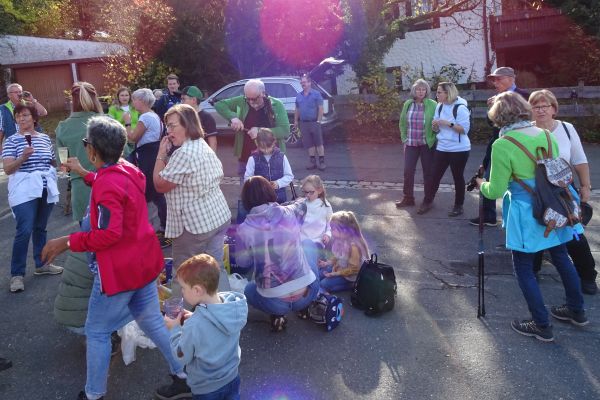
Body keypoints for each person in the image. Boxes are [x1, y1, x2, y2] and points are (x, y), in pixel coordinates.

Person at [41, 116, 191, 400]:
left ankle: (94, 394)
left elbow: (109, 233)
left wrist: (67, 241)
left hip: (120, 272)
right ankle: (183, 375)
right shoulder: (129, 170)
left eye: (86, 143)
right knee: (152, 321)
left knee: (97, 331)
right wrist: (85, 173)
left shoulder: (107, 183)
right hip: (144, 264)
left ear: (92, 150)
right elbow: (112, 184)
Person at [476, 92, 588, 342]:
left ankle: (541, 324)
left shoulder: (503, 144)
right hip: (555, 207)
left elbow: (495, 190)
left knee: (524, 267)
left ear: (499, 117)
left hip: (526, 212)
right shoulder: (546, 135)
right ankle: (577, 310)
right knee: (562, 257)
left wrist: (481, 183)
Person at [153, 104, 232, 298]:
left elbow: (159, 184)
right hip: (217, 216)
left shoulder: (184, 153)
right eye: (167, 126)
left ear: (187, 125)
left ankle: (180, 315)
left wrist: (161, 154)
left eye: (172, 126)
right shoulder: (201, 144)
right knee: (215, 267)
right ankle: (224, 308)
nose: (168, 131)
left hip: (194, 227)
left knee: (183, 274)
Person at [529, 89, 597, 295]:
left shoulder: (567, 129)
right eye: (536, 106)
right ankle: (532, 270)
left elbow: (579, 159)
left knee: (574, 232)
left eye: (545, 106)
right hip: (537, 190)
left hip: (564, 190)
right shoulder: (527, 131)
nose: (540, 110)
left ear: (554, 109)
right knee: (537, 229)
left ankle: (587, 276)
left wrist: (585, 186)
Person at [235, 176, 319, 332]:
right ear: (270, 191)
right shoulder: (290, 212)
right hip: (306, 293)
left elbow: (242, 262)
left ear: (246, 200)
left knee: (249, 290)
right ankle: (305, 306)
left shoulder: (244, 229)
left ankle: (278, 315)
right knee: (308, 244)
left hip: (273, 301)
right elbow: (302, 204)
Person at [164, 254, 248, 400]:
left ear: (197, 290)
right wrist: (195, 316)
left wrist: (175, 328)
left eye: (183, 287)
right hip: (232, 378)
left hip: (207, 388)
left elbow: (182, 356)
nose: (181, 291)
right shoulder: (231, 308)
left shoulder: (195, 325)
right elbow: (213, 322)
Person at [2, 101, 63, 293]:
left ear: (34, 118)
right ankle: (17, 274)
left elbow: (51, 161)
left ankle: (41, 264)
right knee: (25, 229)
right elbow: (8, 169)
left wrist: (61, 166)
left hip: (45, 187)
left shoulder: (44, 139)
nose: (21, 119)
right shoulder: (11, 141)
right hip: (24, 189)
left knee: (40, 228)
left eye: (25, 115)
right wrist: (22, 158)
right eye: (18, 116)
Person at [469, 67, 529, 226]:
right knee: (489, 175)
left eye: (499, 79)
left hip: (520, 146)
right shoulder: (496, 98)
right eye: (494, 80)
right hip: (498, 143)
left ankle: (523, 216)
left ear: (511, 79)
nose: (495, 83)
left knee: (521, 180)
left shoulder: (525, 96)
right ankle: (488, 215)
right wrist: (492, 108)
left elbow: (529, 120)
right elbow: (492, 124)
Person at [214, 79, 290, 182]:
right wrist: (233, 117)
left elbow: (285, 131)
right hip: (246, 158)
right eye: (248, 98)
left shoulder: (276, 105)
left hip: (271, 161)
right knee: (247, 190)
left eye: (254, 99)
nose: (250, 102)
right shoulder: (242, 101)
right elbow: (219, 105)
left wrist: (259, 131)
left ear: (263, 93)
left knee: (272, 191)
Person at [418, 82, 471, 216]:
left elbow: (464, 130)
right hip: (442, 147)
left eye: (439, 92)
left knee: (457, 177)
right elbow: (436, 128)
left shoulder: (460, 108)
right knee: (434, 176)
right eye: (437, 92)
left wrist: (447, 123)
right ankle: (427, 201)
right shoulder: (440, 106)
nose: (437, 95)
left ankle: (458, 205)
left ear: (448, 93)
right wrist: (435, 126)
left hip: (459, 149)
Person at [126, 88, 170, 248]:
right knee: (156, 192)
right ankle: (163, 227)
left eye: (134, 99)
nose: (132, 102)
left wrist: (127, 123)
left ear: (142, 101)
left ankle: (159, 229)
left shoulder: (145, 117)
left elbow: (132, 138)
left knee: (150, 192)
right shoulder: (154, 115)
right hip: (154, 154)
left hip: (147, 157)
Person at [56, 81, 103, 223]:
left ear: (73, 101)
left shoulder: (63, 127)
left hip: (81, 189)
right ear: (95, 98)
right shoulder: (106, 121)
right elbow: (124, 152)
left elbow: (63, 166)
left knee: (88, 232)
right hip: (109, 184)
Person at [396, 78, 437, 208]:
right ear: (414, 90)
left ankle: (428, 200)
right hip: (411, 144)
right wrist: (404, 139)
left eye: (423, 89)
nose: (421, 92)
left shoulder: (433, 104)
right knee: (408, 171)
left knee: (428, 173)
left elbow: (437, 124)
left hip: (426, 144)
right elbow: (402, 123)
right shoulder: (408, 104)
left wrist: (435, 135)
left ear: (426, 91)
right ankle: (408, 198)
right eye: (418, 89)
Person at [318, 211, 369, 293]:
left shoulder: (354, 246)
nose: (331, 231)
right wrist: (327, 263)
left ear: (344, 230)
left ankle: (353, 285)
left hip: (350, 276)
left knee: (323, 284)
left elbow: (354, 269)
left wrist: (334, 274)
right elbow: (338, 256)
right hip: (341, 267)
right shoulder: (340, 239)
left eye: (333, 229)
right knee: (318, 275)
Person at [244, 128, 293, 204]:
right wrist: (258, 186)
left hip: (279, 199)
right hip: (259, 199)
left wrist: (278, 183)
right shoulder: (252, 159)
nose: (266, 150)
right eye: (263, 148)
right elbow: (247, 178)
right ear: (257, 144)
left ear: (274, 142)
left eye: (268, 147)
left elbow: (289, 176)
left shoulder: (282, 157)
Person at [1, 83, 47, 153]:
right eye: (16, 92)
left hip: (35, 141)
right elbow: (1, 129)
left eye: (20, 92)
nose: (19, 94)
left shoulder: (29, 104)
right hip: (16, 144)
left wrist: (32, 100)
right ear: (9, 95)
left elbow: (44, 113)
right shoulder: (3, 109)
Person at [294, 74, 325, 170]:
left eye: (304, 82)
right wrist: (295, 121)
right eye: (301, 82)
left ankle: (322, 162)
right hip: (303, 123)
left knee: (319, 143)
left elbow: (321, 108)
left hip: (314, 122)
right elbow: (297, 109)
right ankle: (312, 162)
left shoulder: (316, 94)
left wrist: (318, 121)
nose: (302, 84)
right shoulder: (298, 96)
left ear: (309, 83)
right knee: (309, 143)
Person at [181, 85, 218, 151]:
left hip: (201, 155)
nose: (181, 102)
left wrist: (211, 156)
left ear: (194, 100)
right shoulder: (182, 116)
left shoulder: (207, 117)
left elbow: (213, 143)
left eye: (184, 99)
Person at [299, 174, 333, 249]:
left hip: (318, 241)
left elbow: (330, 223)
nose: (308, 195)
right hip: (301, 240)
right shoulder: (301, 203)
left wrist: (327, 234)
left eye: (311, 192)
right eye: (305, 192)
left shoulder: (326, 206)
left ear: (319, 190)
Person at [107, 87, 139, 156]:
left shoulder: (135, 108)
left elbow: (140, 121)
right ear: (118, 97)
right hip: (121, 139)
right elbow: (110, 124)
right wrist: (123, 118)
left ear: (130, 96)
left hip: (135, 138)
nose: (124, 97)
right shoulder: (113, 109)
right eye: (122, 95)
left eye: (126, 95)